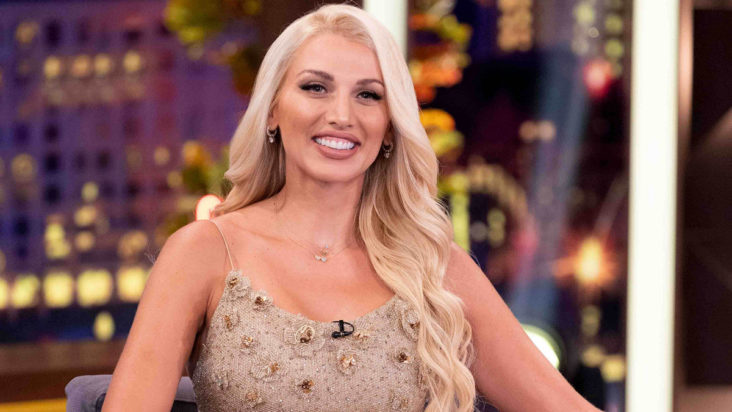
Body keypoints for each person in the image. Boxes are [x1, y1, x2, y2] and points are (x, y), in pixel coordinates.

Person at [103, 4, 602, 412]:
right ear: (272, 110)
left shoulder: (433, 269)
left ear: (390, 128)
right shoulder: (204, 253)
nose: (341, 115)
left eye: (368, 95)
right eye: (315, 87)